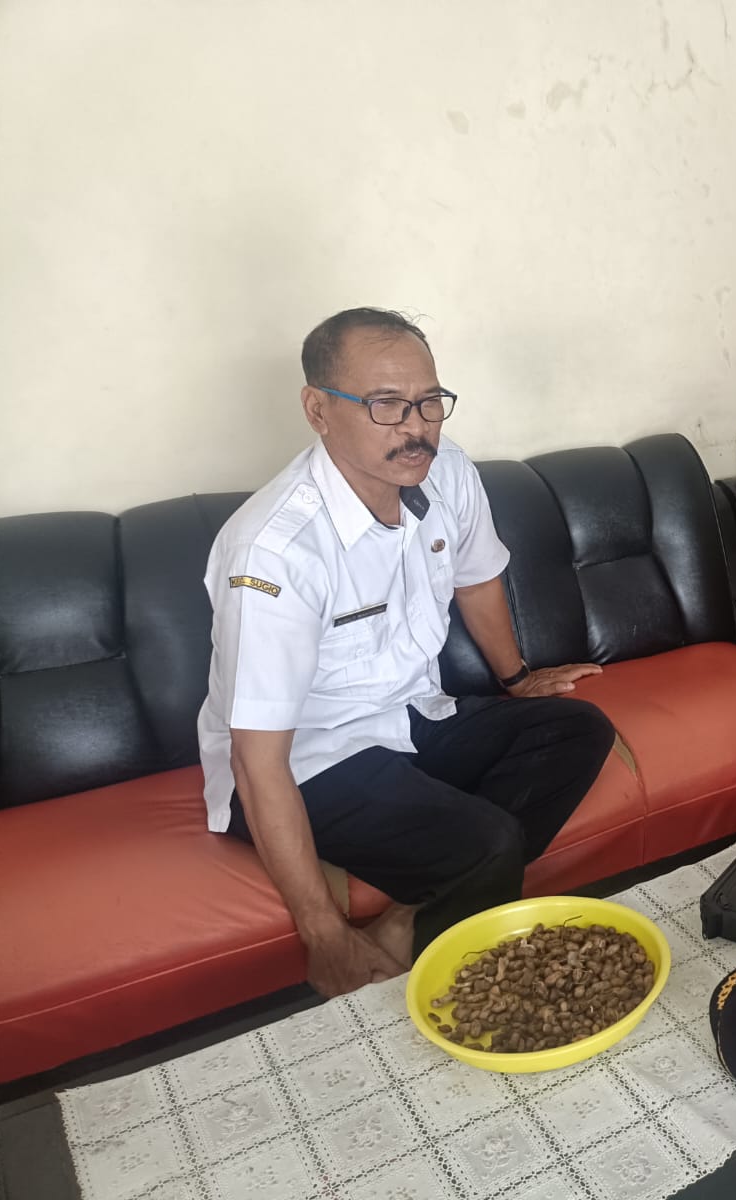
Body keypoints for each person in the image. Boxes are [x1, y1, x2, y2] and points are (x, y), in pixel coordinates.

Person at [198, 307, 614, 998]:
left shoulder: (446, 473)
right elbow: (257, 758)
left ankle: (405, 924)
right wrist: (324, 933)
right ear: (318, 409)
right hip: (311, 757)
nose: (416, 427)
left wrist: (517, 680)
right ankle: (442, 989)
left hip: (414, 716)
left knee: (577, 730)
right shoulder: (274, 551)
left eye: (429, 401)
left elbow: (477, 576)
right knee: (485, 843)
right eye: (386, 404)